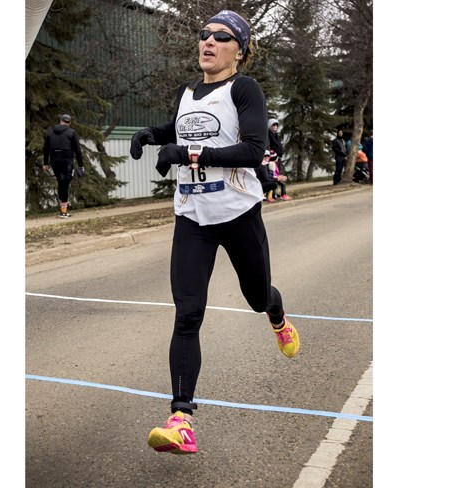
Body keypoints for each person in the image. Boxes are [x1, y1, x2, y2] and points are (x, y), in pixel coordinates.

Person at [129, 9, 300, 455]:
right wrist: (151, 133)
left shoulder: (244, 89)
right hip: (192, 215)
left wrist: (185, 153)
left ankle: (277, 316)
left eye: (221, 37)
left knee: (257, 295)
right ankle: (181, 419)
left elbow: (253, 149)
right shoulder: (188, 90)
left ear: (238, 51)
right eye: (204, 34)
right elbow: (182, 128)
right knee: (187, 314)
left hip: (237, 213)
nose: (208, 41)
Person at [43, 114, 85, 218]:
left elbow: (46, 149)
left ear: (60, 121)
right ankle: (63, 212)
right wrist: (81, 165)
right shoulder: (71, 132)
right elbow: (78, 150)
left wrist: (45, 163)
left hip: (54, 161)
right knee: (65, 183)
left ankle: (63, 210)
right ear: (69, 123)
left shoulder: (51, 132)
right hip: (67, 162)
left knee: (60, 182)